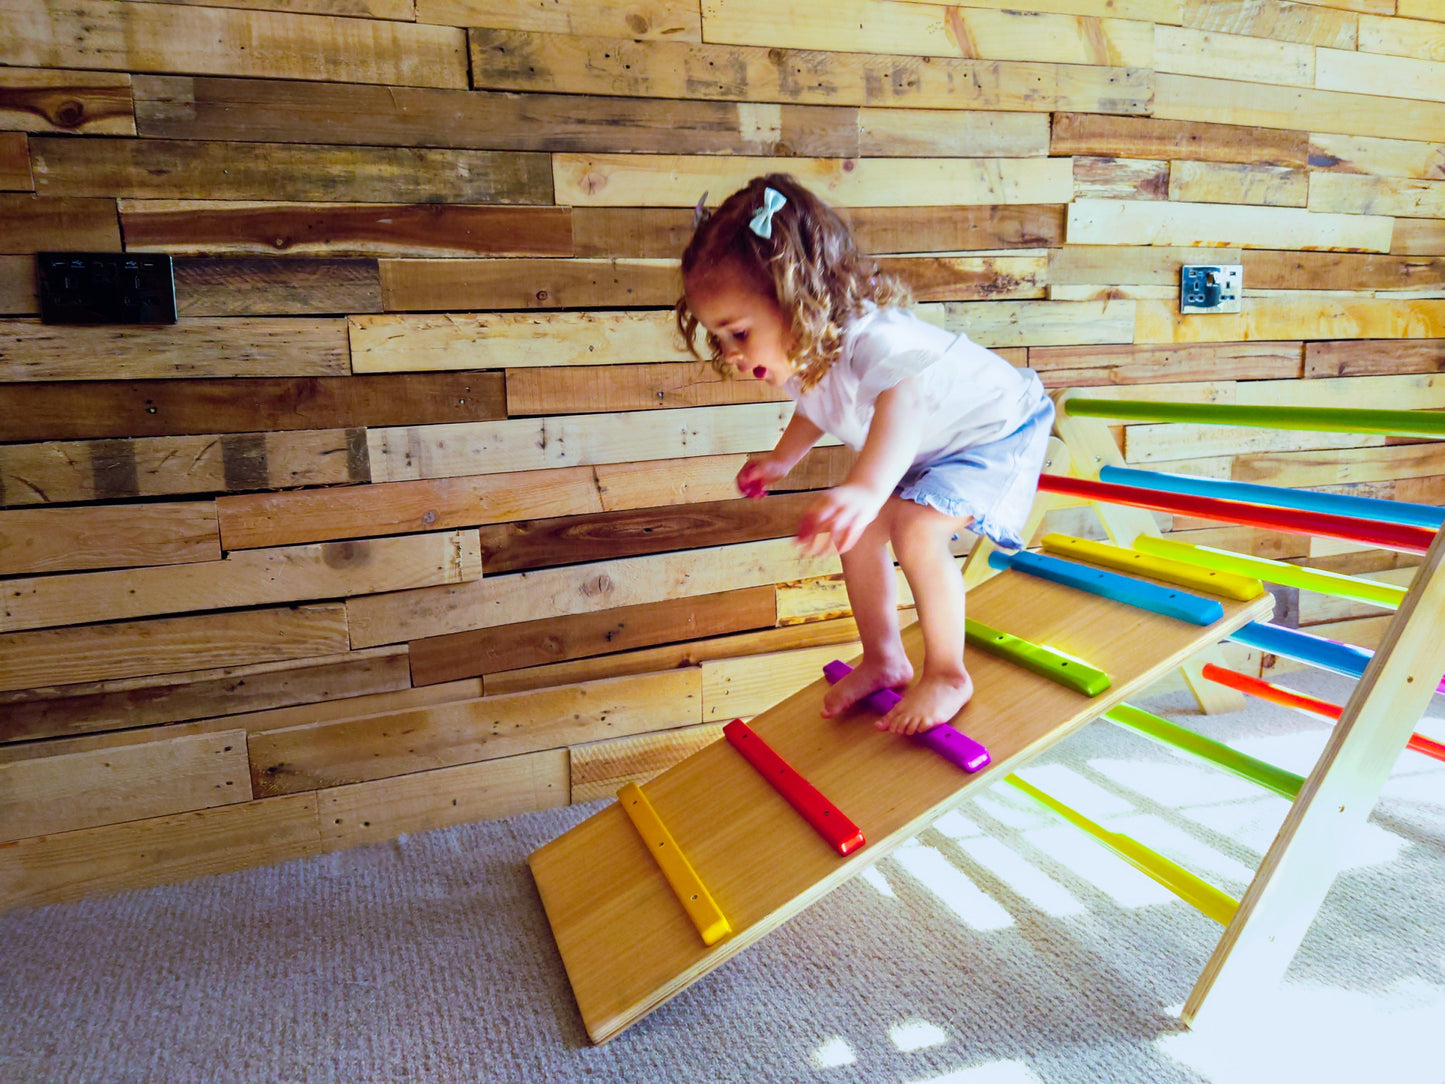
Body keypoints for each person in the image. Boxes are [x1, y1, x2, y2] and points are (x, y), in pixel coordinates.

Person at [675, 174, 1054, 735]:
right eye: (720, 340)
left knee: (916, 529)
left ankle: (948, 672)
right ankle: (884, 659)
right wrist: (782, 459)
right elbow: (815, 408)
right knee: (860, 533)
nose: (730, 355)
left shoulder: (876, 339)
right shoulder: (809, 356)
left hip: (997, 431)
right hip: (931, 449)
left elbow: (905, 398)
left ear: (794, 299)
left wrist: (867, 488)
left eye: (737, 333)